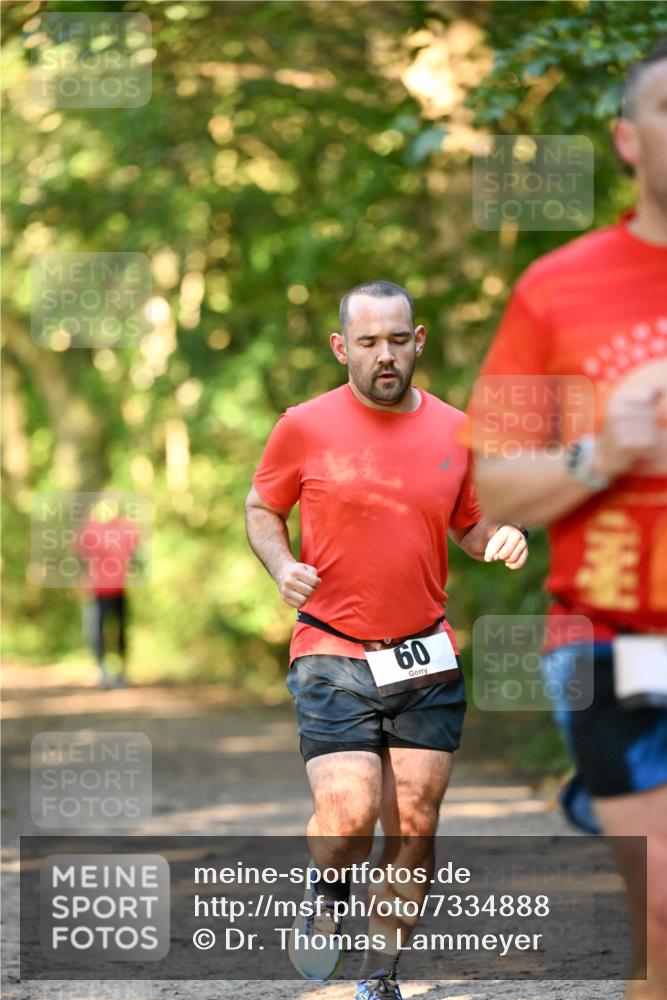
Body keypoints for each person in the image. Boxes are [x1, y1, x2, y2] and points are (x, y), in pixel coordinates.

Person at [245, 280, 529, 1000]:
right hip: (331, 647)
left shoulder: (454, 430)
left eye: (396, 340)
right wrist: (283, 566)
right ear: (341, 346)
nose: (384, 355)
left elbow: (467, 523)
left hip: (423, 652)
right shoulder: (303, 426)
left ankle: (381, 972)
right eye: (367, 342)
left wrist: (493, 535)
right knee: (346, 816)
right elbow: (261, 506)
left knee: (417, 824)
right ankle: (328, 888)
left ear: (418, 340)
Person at [471, 43, 667, 1000]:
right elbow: (492, 486)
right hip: (614, 642)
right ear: (627, 141)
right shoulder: (556, 291)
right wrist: (604, 451)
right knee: (664, 914)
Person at [77, 492, 141, 689]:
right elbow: (81, 553)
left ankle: (122, 673)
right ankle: (102, 672)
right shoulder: (91, 527)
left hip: (119, 587)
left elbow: (134, 548)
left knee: (120, 630)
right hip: (97, 590)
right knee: (96, 632)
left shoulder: (126, 527)